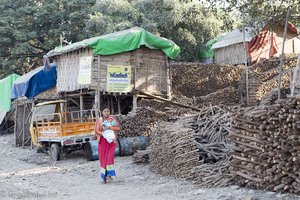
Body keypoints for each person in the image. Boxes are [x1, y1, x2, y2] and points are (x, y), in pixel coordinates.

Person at [95, 107, 120, 184]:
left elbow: (118, 128)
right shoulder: (99, 120)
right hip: (102, 141)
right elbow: (96, 130)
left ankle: (109, 175)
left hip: (112, 142)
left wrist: (110, 127)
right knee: (103, 159)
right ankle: (104, 176)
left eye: (108, 111)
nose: (106, 113)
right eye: (105, 111)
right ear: (102, 112)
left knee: (110, 158)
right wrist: (103, 134)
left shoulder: (113, 119)